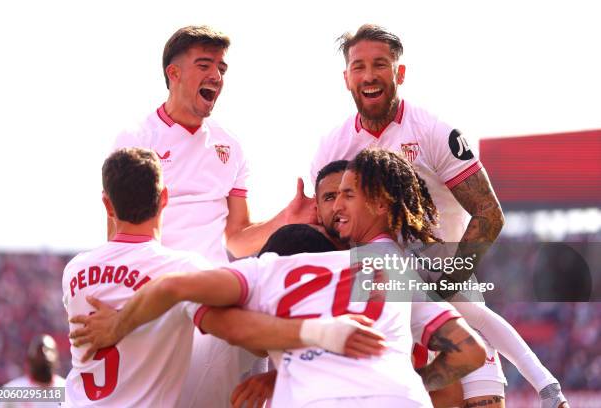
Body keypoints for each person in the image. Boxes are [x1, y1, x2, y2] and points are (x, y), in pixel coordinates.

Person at [69, 152, 490, 407]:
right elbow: (470, 351)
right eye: (331, 196)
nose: (335, 207)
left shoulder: (270, 271)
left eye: (345, 195)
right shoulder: (392, 269)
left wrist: (118, 324)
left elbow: (186, 295)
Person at [310, 25, 568, 408]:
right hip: (382, 294)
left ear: (399, 73)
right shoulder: (332, 144)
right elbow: (323, 224)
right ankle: (547, 387)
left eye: (380, 64)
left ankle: (548, 389)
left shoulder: (433, 131)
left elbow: (489, 213)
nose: (368, 75)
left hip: (442, 274)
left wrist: (446, 282)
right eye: (358, 66)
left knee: (477, 345)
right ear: (346, 77)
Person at [112, 25, 315, 408]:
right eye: (204, 65)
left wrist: (285, 220)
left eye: (222, 68)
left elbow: (236, 237)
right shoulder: (137, 138)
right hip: (157, 299)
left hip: (213, 296)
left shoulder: (229, 145)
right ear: (173, 73)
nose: (217, 77)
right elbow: (118, 233)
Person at [0, 334, 65, 408]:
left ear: (57, 359)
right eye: (39, 351)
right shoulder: (11, 392)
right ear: (30, 359)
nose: (45, 355)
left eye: (49, 350)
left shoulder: (68, 390)